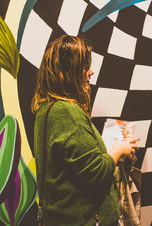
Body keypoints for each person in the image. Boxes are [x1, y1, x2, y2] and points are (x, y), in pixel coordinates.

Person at [32, 35, 139, 226]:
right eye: (84, 66)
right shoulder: (67, 112)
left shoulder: (46, 108)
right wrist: (118, 150)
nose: (91, 72)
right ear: (69, 71)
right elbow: (96, 173)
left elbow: (77, 165)